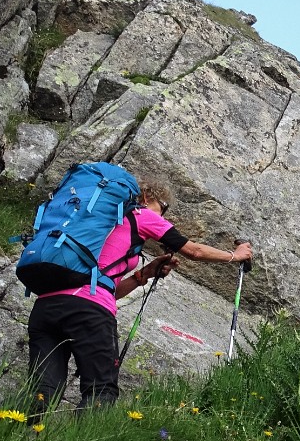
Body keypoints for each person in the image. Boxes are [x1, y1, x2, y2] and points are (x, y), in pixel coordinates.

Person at [25, 177, 252, 417]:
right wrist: (234, 255)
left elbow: (102, 286)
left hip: (47, 307)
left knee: (42, 390)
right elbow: (193, 251)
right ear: (146, 198)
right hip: (88, 311)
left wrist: (142, 275)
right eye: (163, 208)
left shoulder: (99, 222)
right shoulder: (141, 214)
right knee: (100, 391)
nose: (163, 217)